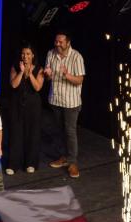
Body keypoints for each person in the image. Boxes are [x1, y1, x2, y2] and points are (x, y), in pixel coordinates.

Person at [44, 30, 85, 179]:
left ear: (68, 42)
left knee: (70, 132)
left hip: (71, 102)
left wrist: (67, 75)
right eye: (56, 41)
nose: (57, 44)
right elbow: (49, 78)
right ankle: (63, 157)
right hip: (56, 99)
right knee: (59, 130)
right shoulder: (51, 54)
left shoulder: (76, 57)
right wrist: (47, 75)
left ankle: (72, 162)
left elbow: (80, 80)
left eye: (61, 42)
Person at [8, 43, 44, 175]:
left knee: (32, 133)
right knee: (16, 133)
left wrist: (30, 74)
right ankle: (13, 164)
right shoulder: (15, 67)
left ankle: (30, 163)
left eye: (28, 54)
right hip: (17, 104)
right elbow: (13, 84)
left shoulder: (39, 69)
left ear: (33, 55)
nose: (25, 56)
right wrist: (22, 71)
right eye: (23, 53)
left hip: (33, 105)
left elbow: (37, 87)